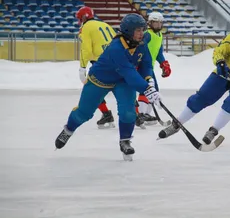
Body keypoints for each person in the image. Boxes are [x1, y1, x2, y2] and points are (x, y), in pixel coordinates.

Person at [55, 14, 162, 160]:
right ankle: (68, 130)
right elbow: (128, 71)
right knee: (84, 114)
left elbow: (146, 63)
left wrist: (149, 80)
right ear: (128, 31)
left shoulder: (142, 42)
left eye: (142, 29)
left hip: (123, 81)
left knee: (129, 113)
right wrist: (146, 88)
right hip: (100, 79)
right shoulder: (116, 48)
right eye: (137, 30)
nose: (141, 33)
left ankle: (125, 141)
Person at [157, 9, 230, 144]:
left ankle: (213, 130)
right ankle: (177, 124)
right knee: (200, 98)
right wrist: (220, 62)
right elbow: (219, 51)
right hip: (224, 73)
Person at [76, 6, 116, 129]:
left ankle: (106, 114)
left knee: (92, 90)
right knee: (122, 87)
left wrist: (82, 67)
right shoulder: (104, 24)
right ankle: (136, 113)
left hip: (100, 63)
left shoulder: (86, 28)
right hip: (116, 60)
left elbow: (86, 49)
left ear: (83, 17)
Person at [136, 11, 171, 127]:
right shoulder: (147, 34)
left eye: (160, 23)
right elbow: (140, 46)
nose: (158, 26)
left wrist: (163, 64)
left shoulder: (159, 35)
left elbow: (159, 53)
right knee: (146, 89)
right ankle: (140, 114)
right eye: (155, 23)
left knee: (154, 89)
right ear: (150, 23)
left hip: (149, 66)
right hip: (142, 66)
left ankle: (145, 113)